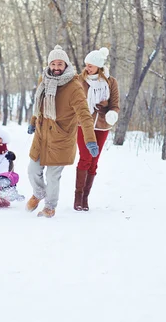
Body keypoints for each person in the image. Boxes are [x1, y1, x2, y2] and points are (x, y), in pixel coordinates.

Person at [25, 45, 99, 218]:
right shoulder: (43, 79)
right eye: (53, 64)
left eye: (60, 64)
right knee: (32, 169)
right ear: (49, 65)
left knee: (52, 176)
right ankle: (38, 193)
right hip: (42, 136)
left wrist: (90, 140)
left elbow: (85, 115)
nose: (56, 68)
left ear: (66, 65)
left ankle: (50, 207)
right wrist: (33, 121)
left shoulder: (74, 87)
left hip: (61, 137)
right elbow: (39, 105)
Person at [74, 47, 120, 211]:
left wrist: (110, 113)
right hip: (82, 125)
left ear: (99, 66)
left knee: (94, 161)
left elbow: (115, 105)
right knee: (85, 157)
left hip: (101, 126)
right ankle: (77, 196)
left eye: (91, 65)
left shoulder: (111, 82)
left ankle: (85, 197)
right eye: (86, 64)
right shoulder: (79, 80)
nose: (87, 68)